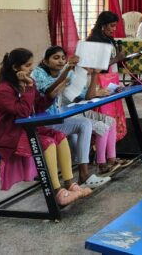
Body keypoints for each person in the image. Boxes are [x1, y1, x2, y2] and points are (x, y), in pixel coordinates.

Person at [0, 48, 90, 206]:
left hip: (23, 130)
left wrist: (52, 95)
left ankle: (70, 184)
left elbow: (38, 106)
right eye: (27, 66)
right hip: (5, 135)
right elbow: (22, 112)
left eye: (31, 65)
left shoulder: (28, 83)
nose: (31, 69)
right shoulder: (3, 89)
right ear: (15, 68)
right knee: (48, 143)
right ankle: (57, 191)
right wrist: (28, 87)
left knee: (59, 137)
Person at [32, 46, 112, 188]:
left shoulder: (67, 73)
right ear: (45, 61)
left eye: (63, 58)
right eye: (56, 58)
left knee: (86, 124)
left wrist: (94, 74)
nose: (60, 61)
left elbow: (85, 95)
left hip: (56, 118)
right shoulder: (38, 73)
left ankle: (84, 175)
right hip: (41, 121)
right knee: (87, 124)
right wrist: (67, 68)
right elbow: (49, 91)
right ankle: (85, 173)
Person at [87, 10, 130, 174]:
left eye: (115, 26)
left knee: (111, 120)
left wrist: (121, 59)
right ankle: (101, 161)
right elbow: (96, 66)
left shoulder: (109, 39)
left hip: (111, 81)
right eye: (111, 26)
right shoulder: (94, 41)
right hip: (99, 83)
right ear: (103, 25)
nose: (114, 29)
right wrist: (117, 59)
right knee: (104, 121)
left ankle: (112, 158)